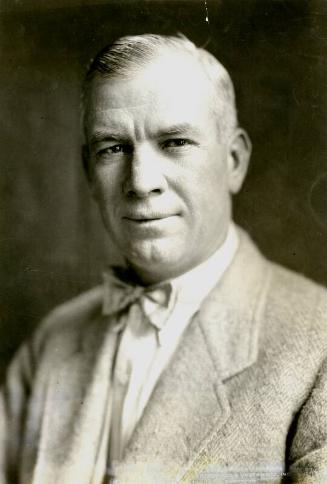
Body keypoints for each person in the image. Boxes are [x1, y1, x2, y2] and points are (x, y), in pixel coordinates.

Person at [1, 33, 327, 484]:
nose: (140, 181)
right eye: (113, 148)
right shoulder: (50, 345)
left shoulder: (320, 347)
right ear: (88, 174)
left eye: (174, 142)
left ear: (234, 160)